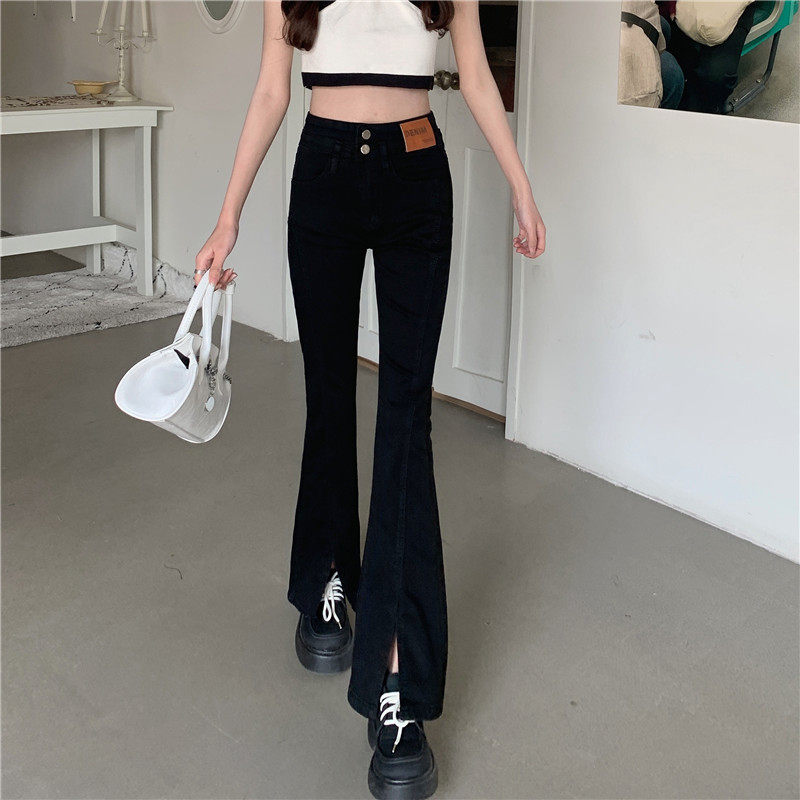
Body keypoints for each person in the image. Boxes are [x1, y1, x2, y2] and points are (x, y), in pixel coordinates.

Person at [194, 2, 545, 797]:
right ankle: (325, 576)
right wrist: (227, 218)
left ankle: (396, 674)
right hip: (323, 171)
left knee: (406, 424)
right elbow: (271, 92)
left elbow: (477, 77)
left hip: (417, 174)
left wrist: (521, 188)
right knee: (328, 396)